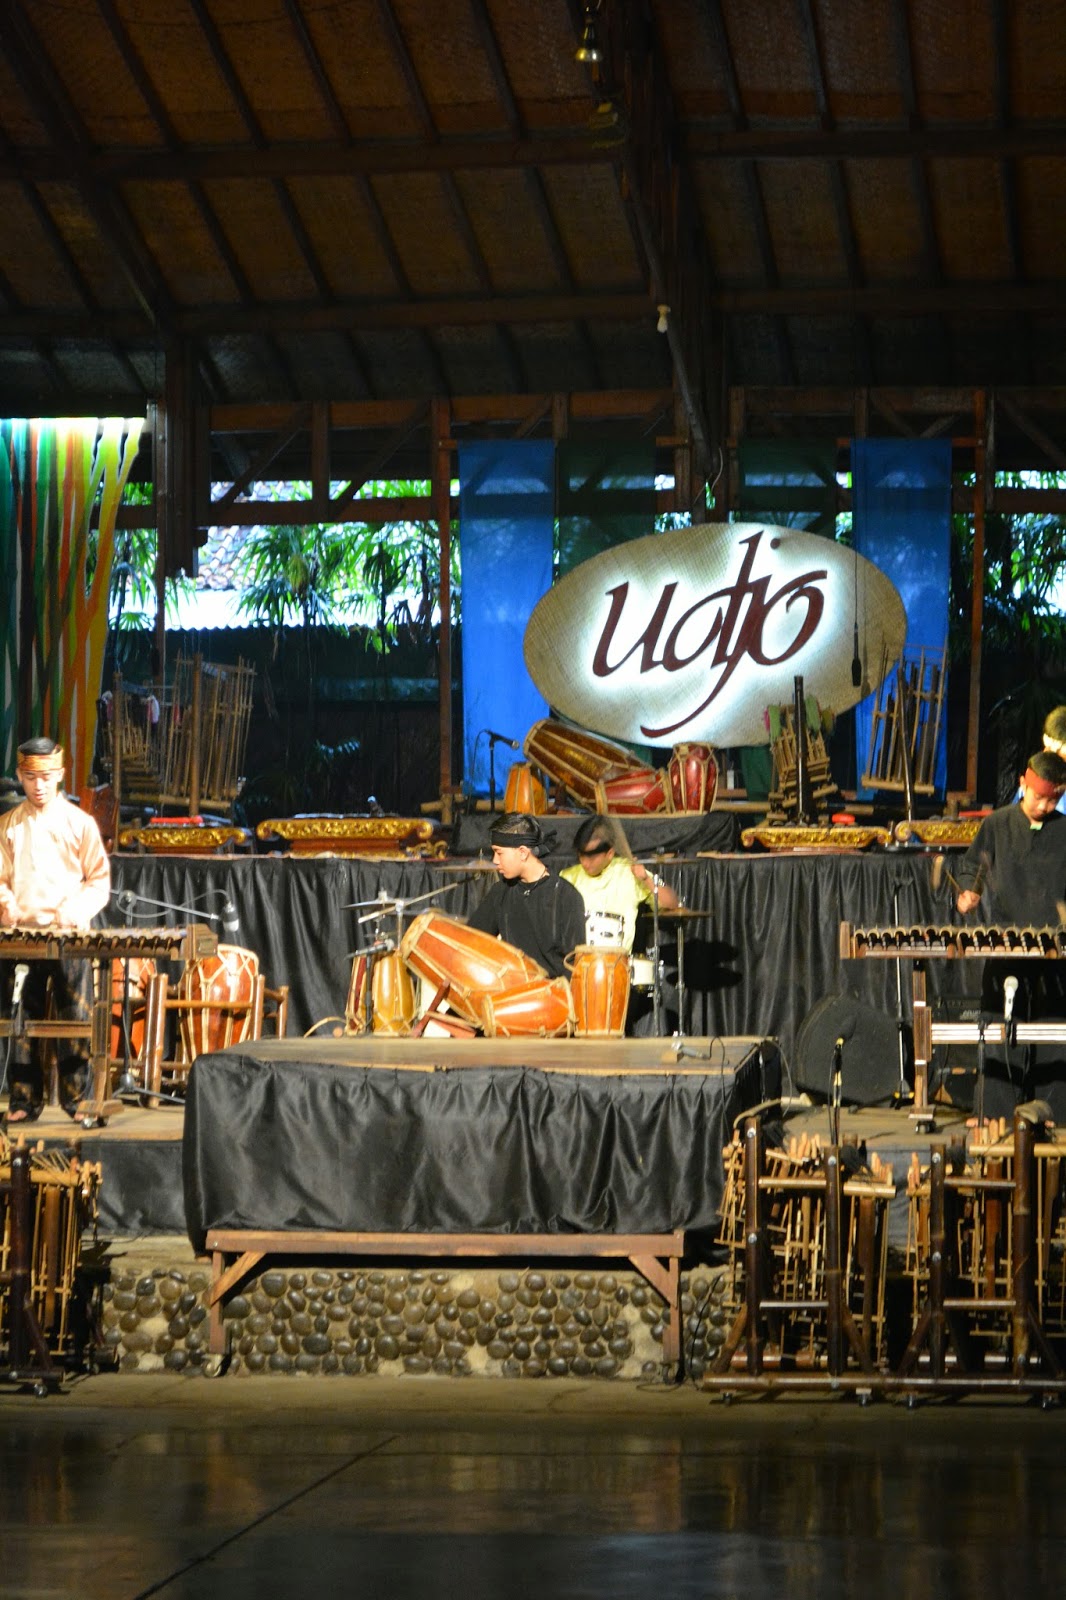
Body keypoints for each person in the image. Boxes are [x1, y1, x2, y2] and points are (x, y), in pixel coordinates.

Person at [0, 737, 111, 1123]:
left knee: (75, 1019)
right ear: (20, 776)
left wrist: (75, 909)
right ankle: (22, 1100)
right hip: (22, 938)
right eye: (30, 777)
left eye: (46, 777)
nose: (39, 785)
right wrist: (5, 902)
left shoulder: (80, 823)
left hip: (68, 937)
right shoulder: (8, 825)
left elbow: (98, 880)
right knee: (20, 1021)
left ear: (61, 775)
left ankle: (77, 1099)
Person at [468, 814, 585, 980]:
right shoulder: (500, 892)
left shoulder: (566, 896)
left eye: (499, 853)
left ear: (523, 852)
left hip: (552, 997)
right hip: (509, 992)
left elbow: (574, 965)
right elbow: (473, 941)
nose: (494, 860)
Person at [561, 814, 679, 952]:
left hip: (618, 966)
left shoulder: (629, 872)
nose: (585, 862)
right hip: (576, 965)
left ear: (609, 853)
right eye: (581, 855)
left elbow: (672, 905)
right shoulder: (568, 877)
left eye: (591, 857)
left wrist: (647, 880)